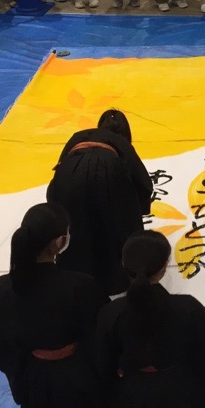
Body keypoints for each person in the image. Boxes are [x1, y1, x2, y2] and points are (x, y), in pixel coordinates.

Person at [0, 203, 109, 408]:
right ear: (57, 243)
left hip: (35, 382)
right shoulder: (80, 285)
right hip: (79, 381)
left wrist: (23, 377)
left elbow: (1, 352)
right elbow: (101, 340)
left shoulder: (1, 288)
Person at [96, 231, 205, 408]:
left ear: (124, 265)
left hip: (133, 399)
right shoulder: (188, 308)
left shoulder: (111, 312)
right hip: (185, 396)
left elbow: (103, 362)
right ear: (165, 266)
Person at [46, 109, 153, 296]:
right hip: (109, 174)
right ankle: (120, 278)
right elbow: (143, 183)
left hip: (70, 178)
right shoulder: (120, 143)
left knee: (76, 228)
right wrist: (138, 209)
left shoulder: (77, 137)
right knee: (118, 227)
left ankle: (76, 279)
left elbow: (59, 170)